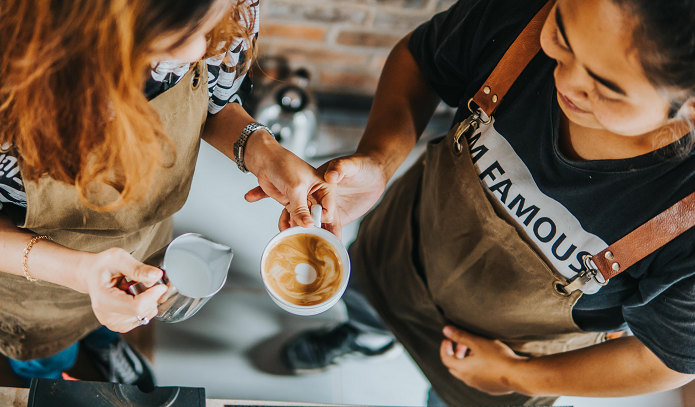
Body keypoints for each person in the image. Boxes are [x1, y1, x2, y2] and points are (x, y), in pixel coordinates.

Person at [278, 0, 695, 405]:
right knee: (365, 299)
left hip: (503, 358)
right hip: (404, 249)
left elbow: (667, 358)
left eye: (604, 88)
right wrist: (379, 159)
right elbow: (421, 60)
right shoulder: (521, 13)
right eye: (561, 39)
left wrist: (511, 376)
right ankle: (368, 337)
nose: (564, 82)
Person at [0, 0, 335, 385]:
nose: (198, 52)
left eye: (208, 28)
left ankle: (105, 346)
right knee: (46, 356)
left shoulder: (225, 6)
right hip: (28, 282)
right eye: (181, 36)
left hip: (144, 237)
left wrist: (262, 150)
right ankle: (53, 376)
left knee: (118, 315)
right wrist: (82, 272)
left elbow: (216, 99)